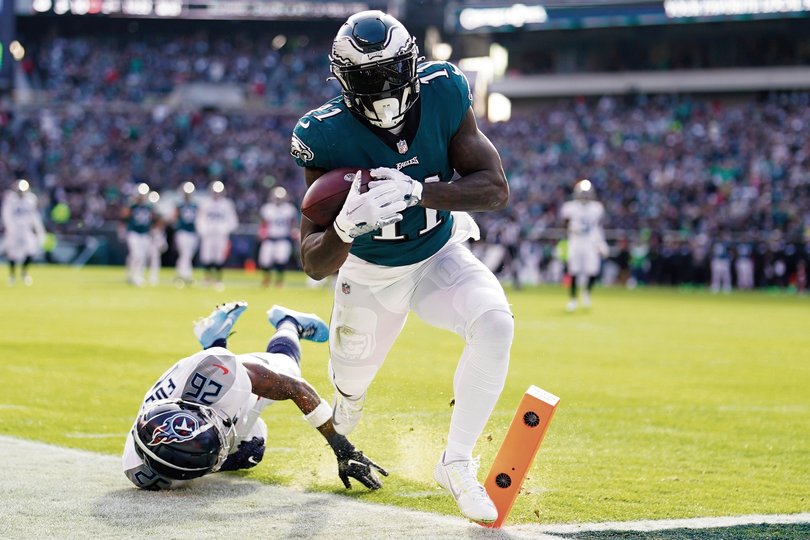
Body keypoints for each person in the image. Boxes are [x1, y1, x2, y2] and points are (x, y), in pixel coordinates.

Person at [289, 10, 513, 523]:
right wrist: (345, 228)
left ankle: (455, 462)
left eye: (390, 73)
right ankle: (348, 403)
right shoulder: (322, 134)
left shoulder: (444, 90)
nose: (384, 89)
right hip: (369, 274)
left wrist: (421, 191)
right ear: (344, 81)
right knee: (349, 389)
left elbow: (495, 188)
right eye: (367, 79)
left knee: (495, 323)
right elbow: (312, 262)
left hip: (439, 252)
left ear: (411, 64)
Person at [122, 301, 387, 492]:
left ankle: (289, 322)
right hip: (206, 402)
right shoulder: (142, 472)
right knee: (251, 453)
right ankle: (214, 339)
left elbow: (297, 388)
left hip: (217, 381)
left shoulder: (223, 377)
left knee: (287, 367)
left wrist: (343, 449)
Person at [560, 179, 608, 311]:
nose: (585, 196)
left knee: (592, 271)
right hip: (575, 240)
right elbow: (564, 225)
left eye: (587, 193)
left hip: (590, 241)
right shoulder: (570, 207)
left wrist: (601, 243)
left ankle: (586, 293)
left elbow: (598, 227)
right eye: (583, 193)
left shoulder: (597, 208)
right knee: (574, 271)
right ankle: (573, 299)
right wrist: (570, 229)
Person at [2, 179, 45, 286]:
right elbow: (6, 214)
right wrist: (10, 228)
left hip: (26, 229)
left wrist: (39, 230)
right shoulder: (10, 198)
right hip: (14, 229)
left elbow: (34, 215)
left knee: (31, 250)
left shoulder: (31, 199)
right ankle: (12, 275)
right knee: (12, 253)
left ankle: (24, 273)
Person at [195, 181, 238, 290]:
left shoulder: (227, 204)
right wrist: (203, 230)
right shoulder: (205, 203)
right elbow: (200, 219)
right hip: (208, 234)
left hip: (220, 235)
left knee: (219, 257)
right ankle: (207, 279)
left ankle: (218, 280)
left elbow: (233, 221)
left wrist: (224, 229)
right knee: (206, 257)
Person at [257, 186, 298, 288]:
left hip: (282, 238)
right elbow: (263, 223)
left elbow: (293, 223)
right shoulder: (267, 208)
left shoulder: (289, 209)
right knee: (265, 261)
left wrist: (294, 231)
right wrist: (262, 232)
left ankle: (279, 281)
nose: (278, 200)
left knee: (281, 260)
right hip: (270, 238)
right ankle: (266, 279)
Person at [121, 184, 154, 287]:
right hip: (134, 232)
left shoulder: (149, 206)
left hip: (144, 233)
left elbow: (153, 220)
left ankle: (136, 274)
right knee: (136, 254)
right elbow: (124, 216)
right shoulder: (132, 205)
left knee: (142, 256)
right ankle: (134, 275)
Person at [173, 182, 199, 286]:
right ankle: (186, 275)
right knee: (185, 254)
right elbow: (174, 217)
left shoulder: (195, 205)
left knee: (187, 255)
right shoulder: (179, 205)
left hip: (192, 232)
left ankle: (181, 274)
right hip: (182, 231)